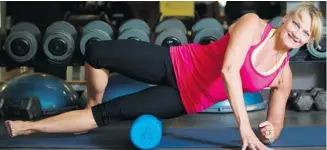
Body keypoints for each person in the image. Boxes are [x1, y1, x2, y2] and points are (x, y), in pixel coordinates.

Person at [4, 2, 323, 150]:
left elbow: (278, 122)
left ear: (308, 40)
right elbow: (229, 71)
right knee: (96, 51)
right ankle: (91, 101)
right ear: (287, 20)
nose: (297, 33)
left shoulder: (283, 76)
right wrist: (244, 127)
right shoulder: (253, 25)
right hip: (175, 61)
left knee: (109, 115)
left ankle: (28, 128)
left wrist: (270, 132)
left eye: (305, 33)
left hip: (186, 98)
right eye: (296, 24)